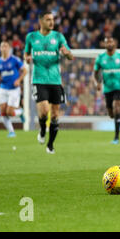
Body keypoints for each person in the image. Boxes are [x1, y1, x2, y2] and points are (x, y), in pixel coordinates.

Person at [24, 11, 74, 154]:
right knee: (44, 111)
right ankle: (42, 130)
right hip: (39, 80)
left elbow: (70, 56)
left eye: (52, 20)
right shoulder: (31, 37)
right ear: (41, 21)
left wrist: (67, 53)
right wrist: (27, 58)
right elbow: (26, 53)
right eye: (48, 20)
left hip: (55, 80)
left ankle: (50, 144)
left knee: (55, 115)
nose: (51, 22)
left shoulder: (58, 36)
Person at [93, 37, 120, 144]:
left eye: (111, 41)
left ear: (115, 43)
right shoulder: (100, 58)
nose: (109, 44)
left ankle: (116, 138)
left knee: (117, 108)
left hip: (119, 87)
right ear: (104, 44)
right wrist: (98, 83)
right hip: (107, 88)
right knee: (111, 114)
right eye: (107, 42)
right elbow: (96, 72)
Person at [0, 41, 26, 137]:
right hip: (3, 88)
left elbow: (25, 70)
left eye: (6, 46)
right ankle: (11, 132)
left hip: (14, 89)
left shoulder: (15, 59)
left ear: (9, 48)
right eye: (2, 46)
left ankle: (21, 112)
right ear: (0, 49)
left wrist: (19, 80)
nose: (4, 48)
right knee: (2, 111)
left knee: (9, 112)